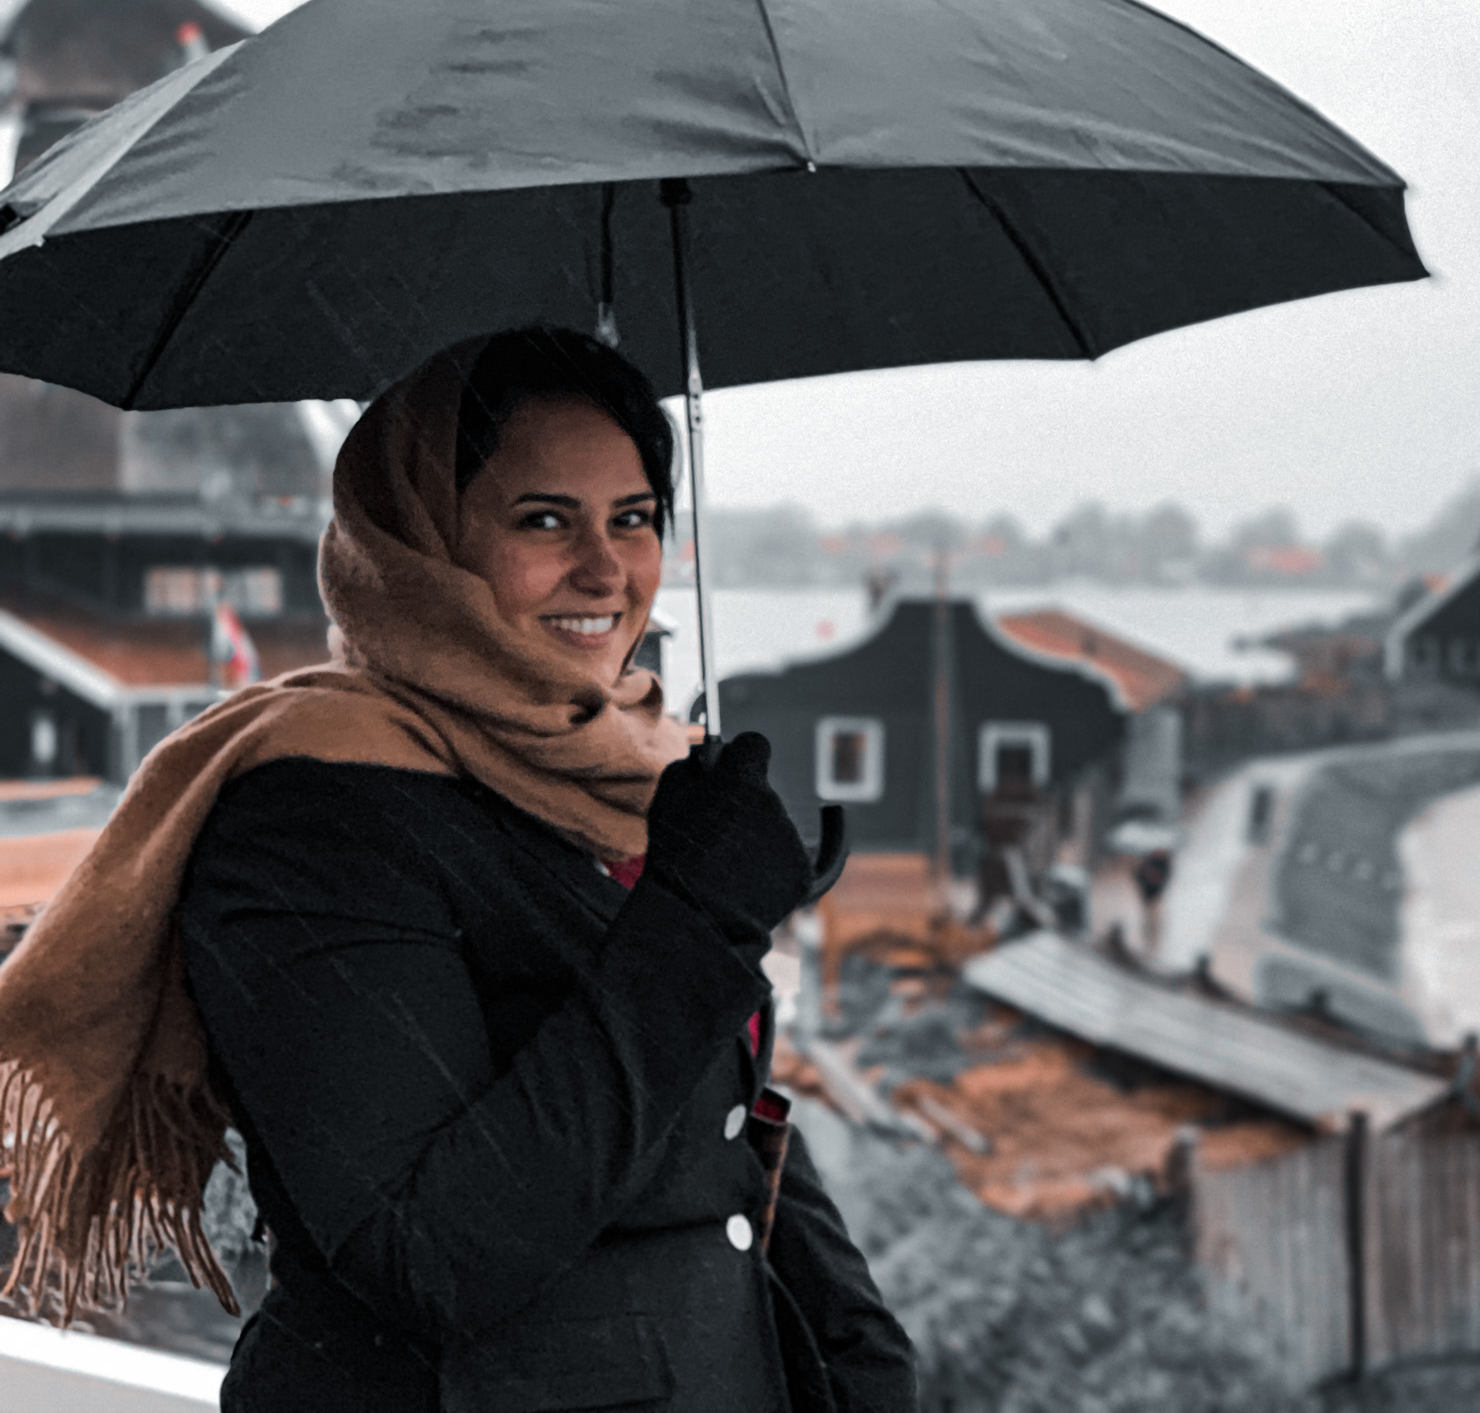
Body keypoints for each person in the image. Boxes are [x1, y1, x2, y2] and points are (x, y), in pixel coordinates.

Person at [0, 327, 916, 1412]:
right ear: (420, 544)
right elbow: (427, 1252)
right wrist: (698, 919)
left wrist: (856, 1340)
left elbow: (703, 1114)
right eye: (544, 521)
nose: (605, 569)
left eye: (632, 518)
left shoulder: (623, 771)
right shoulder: (313, 814)